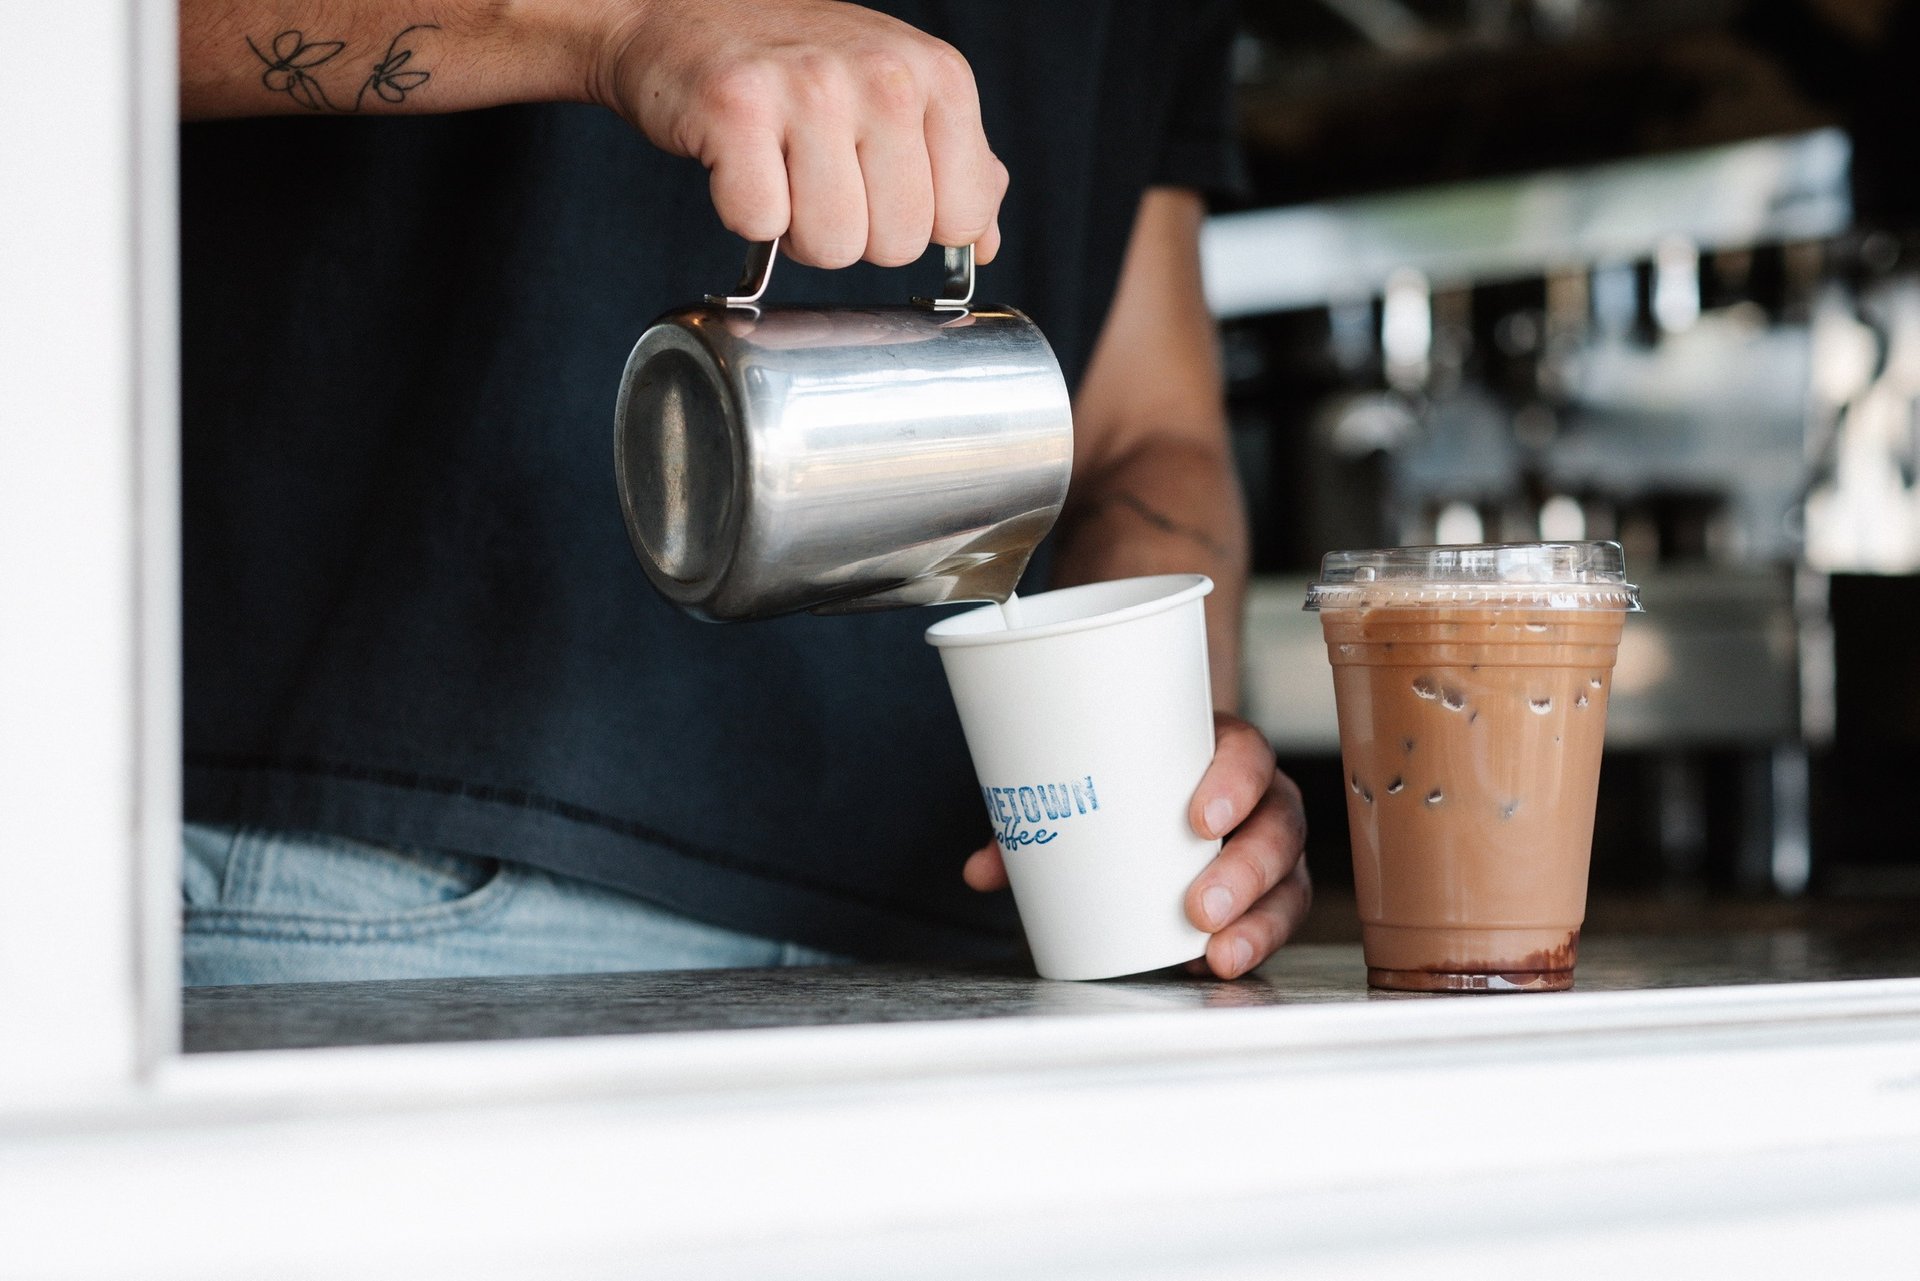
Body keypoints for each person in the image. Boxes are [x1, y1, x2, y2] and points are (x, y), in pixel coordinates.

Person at [176, 0, 1311, 984]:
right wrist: (615, 26)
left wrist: (1174, 793)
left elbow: (1142, 435)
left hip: (975, 930)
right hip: (403, 878)